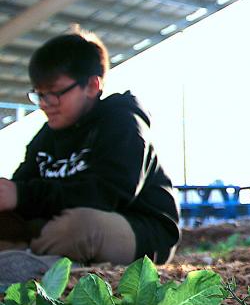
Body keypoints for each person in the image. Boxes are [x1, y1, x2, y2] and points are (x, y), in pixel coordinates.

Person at [0, 30, 179, 285]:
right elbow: (22, 187)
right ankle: (35, 260)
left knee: (78, 227)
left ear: (92, 86)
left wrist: (22, 195)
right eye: (39, 94)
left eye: (54, 92)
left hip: (138, 230)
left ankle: (35, 265)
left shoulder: (122, 122)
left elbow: (106, 196)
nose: (44, 103)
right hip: (56, 229)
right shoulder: (48, 135)